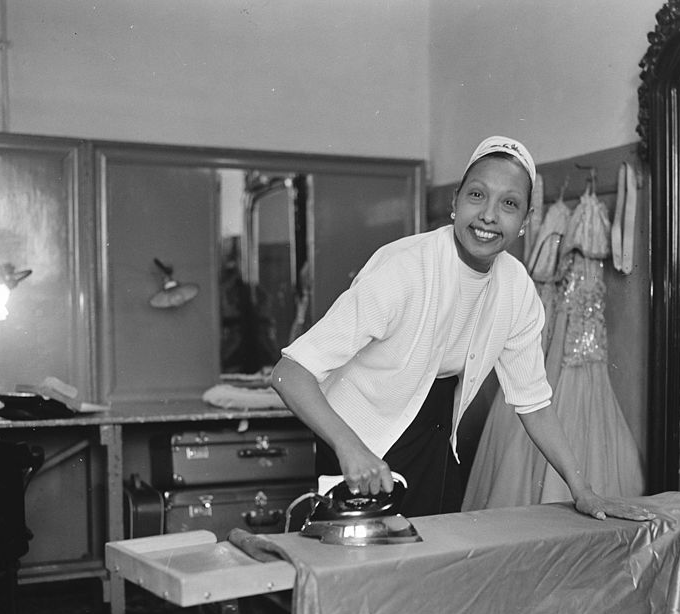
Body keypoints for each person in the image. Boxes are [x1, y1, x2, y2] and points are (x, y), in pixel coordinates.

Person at [271, 136, 651, 522]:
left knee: (433, 566)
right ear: (454, 202)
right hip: (355, 438)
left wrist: (581, 489)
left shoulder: (517, 287)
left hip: (435, 438)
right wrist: (349, 448)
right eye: (476, 195)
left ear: (525, 221)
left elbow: (533, 401)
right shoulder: (402, 269)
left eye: (509, 204)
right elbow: (290, 373)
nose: (488, 215)